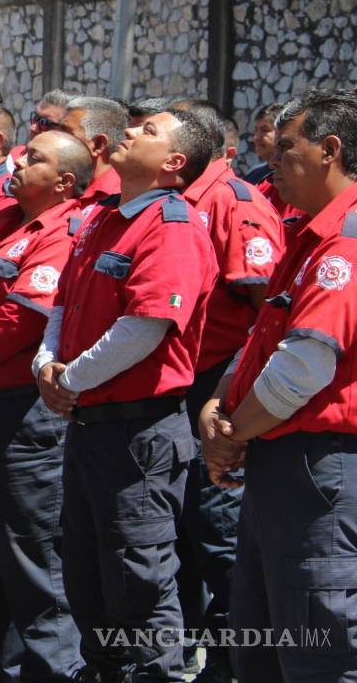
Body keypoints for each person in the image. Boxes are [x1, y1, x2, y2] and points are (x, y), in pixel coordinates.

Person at [33, 109, 219, 682]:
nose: (130, 131)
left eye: (148, 131)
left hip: (139, 432)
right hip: (91, 425)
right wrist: (46, 363)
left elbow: (145, 326)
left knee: (138, 578)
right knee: (87, 574)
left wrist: (70, 379)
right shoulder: (105, 217)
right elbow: (62, 304)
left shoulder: (173, 225)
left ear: (173, 163)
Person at [199, 89, 357, 682]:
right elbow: (268, 339)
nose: (272, 164)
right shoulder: (311, 234)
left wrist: (231, 431)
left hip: (320, 471)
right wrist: (219, 404)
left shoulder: (346, 240)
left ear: (330, 150)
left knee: (319, 646)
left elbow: (305, 367)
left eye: (287, 149)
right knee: (262, 642)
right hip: (281, 461)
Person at [0, 131, 92, 683]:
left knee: (33, 555)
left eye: (33, 159)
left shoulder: (60, 232)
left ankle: (54, 669)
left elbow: (21, 324)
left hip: (22, 413)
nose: (16, 164)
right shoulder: (10, 225)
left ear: (63, 182)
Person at [173, 101, 284, 683]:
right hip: (185, 382)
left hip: (219, 384)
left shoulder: (235, 202)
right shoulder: (179, 203)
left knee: (221, 533)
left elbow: (266, 311)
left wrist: (232, 398)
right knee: (185, 532)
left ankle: (231, 664)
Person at [58, 96, 129, 214]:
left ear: (97, 144)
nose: (53, 138)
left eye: (66, 133)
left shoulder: (120, 200)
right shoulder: (57, 185)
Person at [241, 102, 282, 185]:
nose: (256, 137)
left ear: (282, 133)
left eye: (265, 130)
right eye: (256, 130)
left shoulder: (289, 178)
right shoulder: (253, 174)